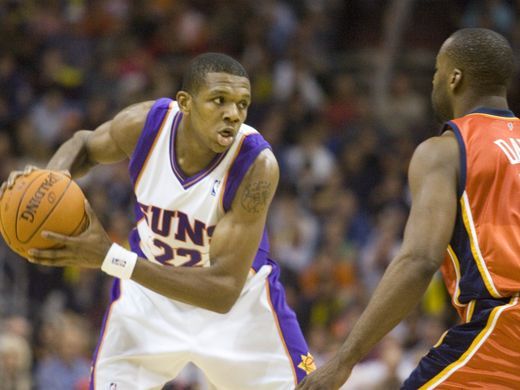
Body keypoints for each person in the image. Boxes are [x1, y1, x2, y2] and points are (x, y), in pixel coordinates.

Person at [1, 53, 315, 389]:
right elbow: (84, 144)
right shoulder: (146, 126)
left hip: (237, 310)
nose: (232, 114)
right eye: (219, 101)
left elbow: (222, 291)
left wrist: (112, 257)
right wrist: (46, 184)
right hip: (149, 298)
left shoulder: (256, 165)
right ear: (185, 103)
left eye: (242, 104)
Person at [297, 28, 520, 389]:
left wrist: (344, 359)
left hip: (505, 329)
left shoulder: (445, 150)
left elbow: (418, 261)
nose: (433, 80)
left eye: (436, 71)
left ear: (454, 78)